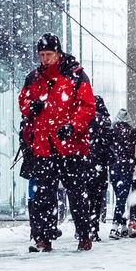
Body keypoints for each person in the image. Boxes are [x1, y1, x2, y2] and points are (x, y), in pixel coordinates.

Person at [18, 33, 97, 251]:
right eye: (42, 55)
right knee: (43, 194)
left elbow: (87, 106)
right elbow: (23, 101)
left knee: (76, 193)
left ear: (58, 53)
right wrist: (30, 108)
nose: (45, 59)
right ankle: (43, 238)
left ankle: (83, 235)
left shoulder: (75, 76)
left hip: (70, 145)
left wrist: (72, 125)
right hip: (43, 145)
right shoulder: (33, 78)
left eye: (49, 55)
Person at [104, 108, 136, 238]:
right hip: (127, 168)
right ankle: (115, 227)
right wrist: (135, 160)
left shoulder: (111, 131)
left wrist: (110, 159)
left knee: (119, 197)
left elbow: (105, 147)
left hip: (114, 168)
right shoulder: (132, 132)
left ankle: (122, 226)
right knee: (122, 198)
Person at [86, 95, 113, 240]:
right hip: (99, 165)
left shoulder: (84, 118)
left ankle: (82, 228)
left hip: (84, 163)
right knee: (97, 199)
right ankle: (93, 229)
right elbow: (108, 142)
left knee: (84, 197)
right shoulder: (104, 121)